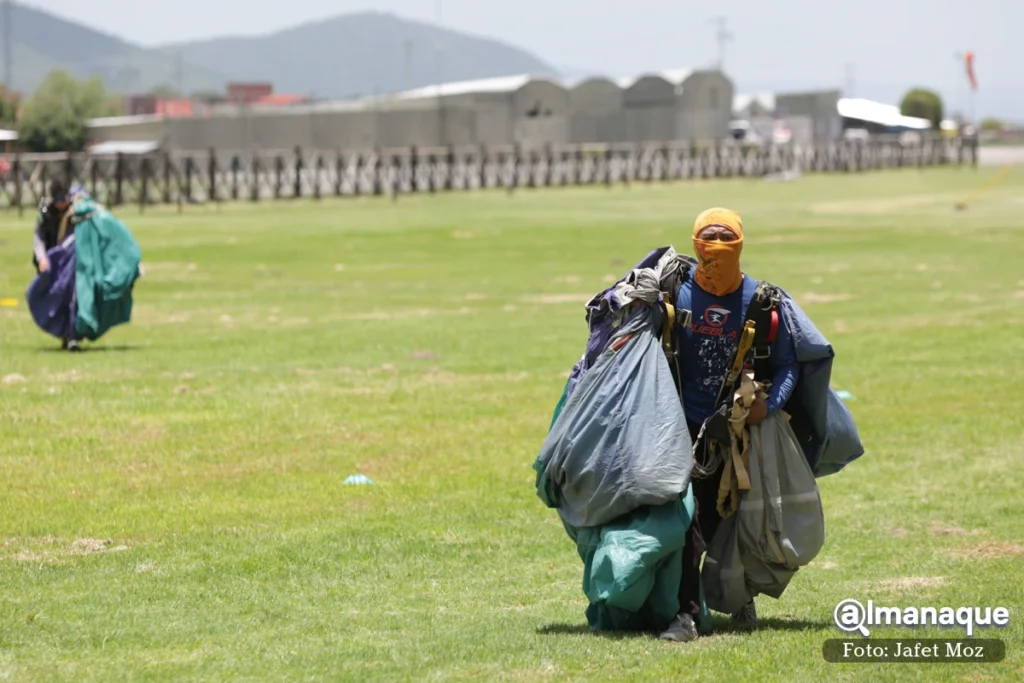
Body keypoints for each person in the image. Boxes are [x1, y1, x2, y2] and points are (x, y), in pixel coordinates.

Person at [659, 207, 801, 642]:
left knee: (733, 521)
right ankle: (685, 615)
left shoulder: (762, 303)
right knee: (686, 520)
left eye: (725, 236)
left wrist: (769, 407)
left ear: (739, 243)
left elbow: (788, 364)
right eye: (707, 236)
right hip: (679, 425)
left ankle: (739, 596)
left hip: (737, 433)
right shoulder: (674, 294)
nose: (716, 244)